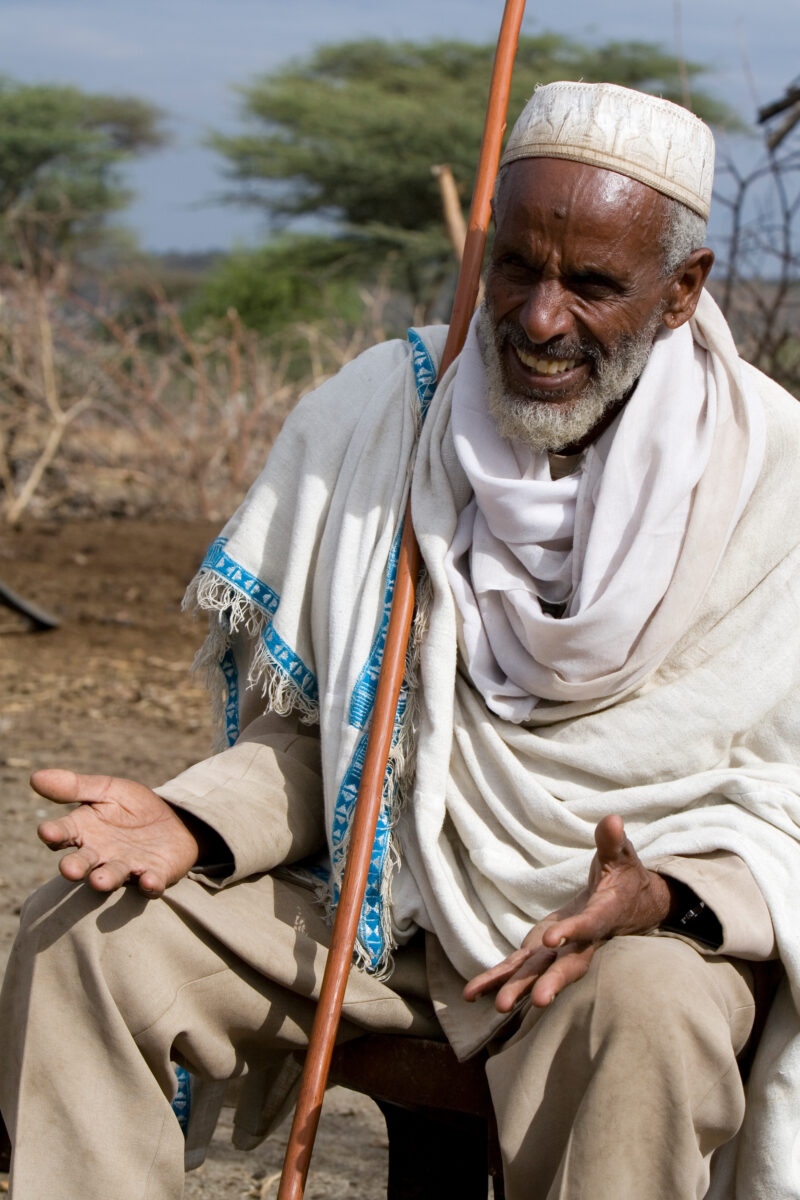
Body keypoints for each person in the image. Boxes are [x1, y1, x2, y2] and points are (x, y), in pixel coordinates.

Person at [2, 80, 800, 1200]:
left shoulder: (775, 480)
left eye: (591, 284)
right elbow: (337, 733)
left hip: (614, 944)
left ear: (681, 292)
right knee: (82, 932)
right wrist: (189, 820)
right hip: (380, 911)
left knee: (654, 1013)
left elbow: (785, 798)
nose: (536, 318)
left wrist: (667, 896)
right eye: (516, 266)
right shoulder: (391, 412)